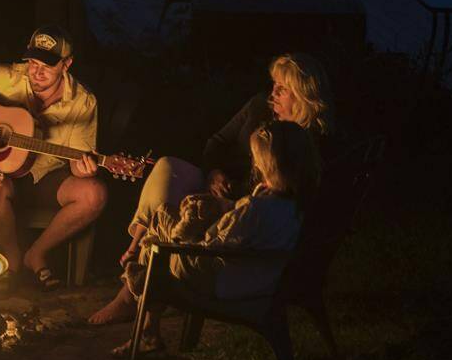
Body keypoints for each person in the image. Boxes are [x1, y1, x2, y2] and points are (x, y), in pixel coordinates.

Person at [89, 52, 333, 325]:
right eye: (273, 85)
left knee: (170, 220)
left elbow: (273, 202)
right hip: (217, 187)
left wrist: (229, 200)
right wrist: (215, 173)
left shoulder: (303, 146)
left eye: (282, 89)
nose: (272, 94)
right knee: (168, 167)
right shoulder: (258, 109)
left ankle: (135, 295)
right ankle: (136, 253)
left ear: (302, 96)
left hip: (237, 209)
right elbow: (216, 143)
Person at [110, 119, 321, 358]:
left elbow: (218, 245)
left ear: (267, 165)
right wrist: (228, 207)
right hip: (262, 277)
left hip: (218, 280)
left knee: (160, 222)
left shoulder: (255, 209)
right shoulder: (295, 206)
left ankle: (140, 302)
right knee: (162, 233)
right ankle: (144, 302)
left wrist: (197, 230)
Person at [0, 25, 107, 290]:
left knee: (94, 194)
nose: (36, 72)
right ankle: (12, 259)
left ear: (66, 64)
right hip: (1, 171)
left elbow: (77, 164)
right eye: (33, 62)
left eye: (47, 66)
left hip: (47, 177)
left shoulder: (84, 102)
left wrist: (85, 169)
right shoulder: (10, 76)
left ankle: (36, 254)